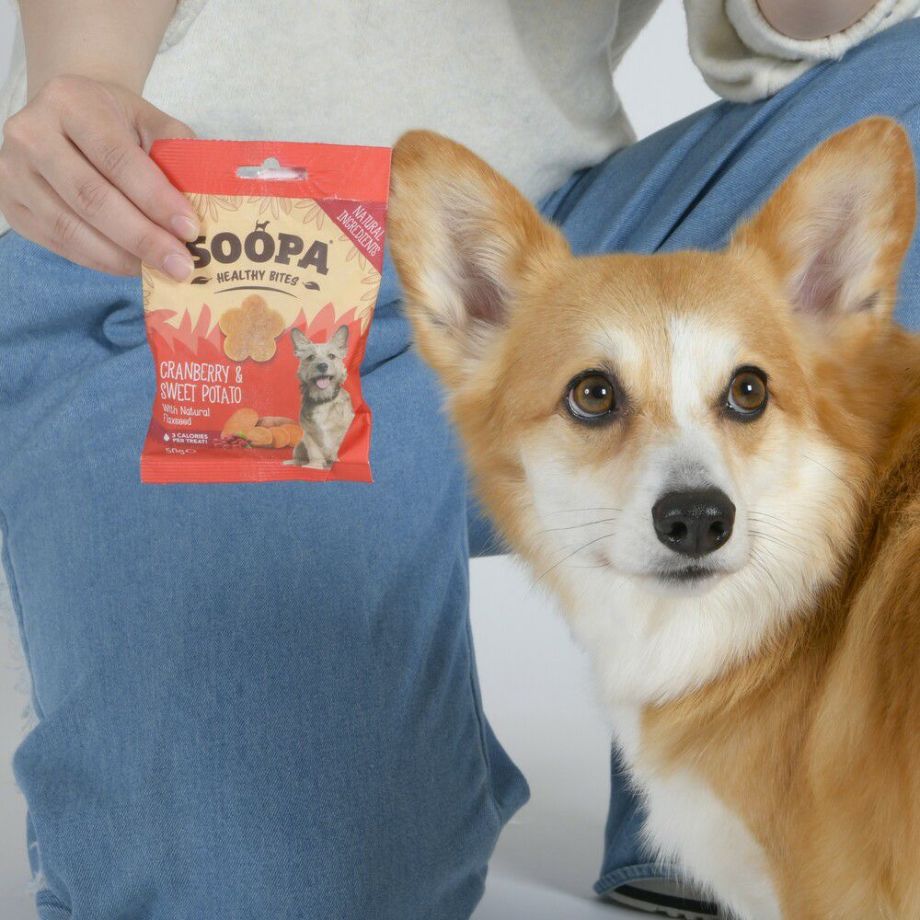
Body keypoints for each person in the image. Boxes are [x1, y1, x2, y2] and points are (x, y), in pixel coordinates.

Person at [0, 2, 917, 918]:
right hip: (199, 249)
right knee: (263, 897)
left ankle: (764, 786)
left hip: (559, 240)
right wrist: (87, 84)